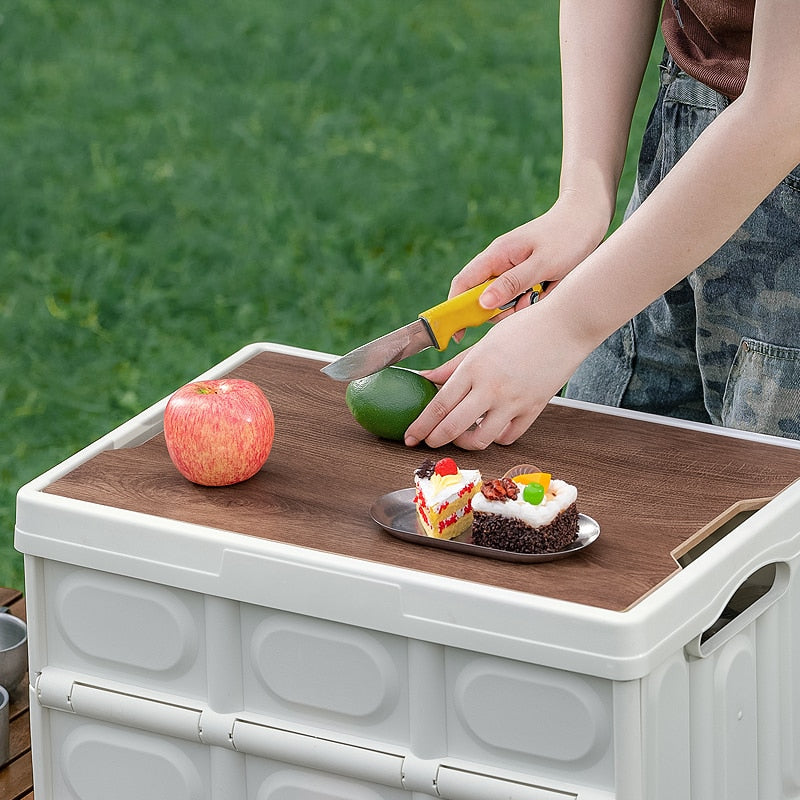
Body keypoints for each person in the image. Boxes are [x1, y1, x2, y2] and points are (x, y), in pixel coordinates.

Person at [403, 0, 800, 451]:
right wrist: (582, 197)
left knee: (771, 506)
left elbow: (785, 108)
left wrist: (563, 327)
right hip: (683, 161)